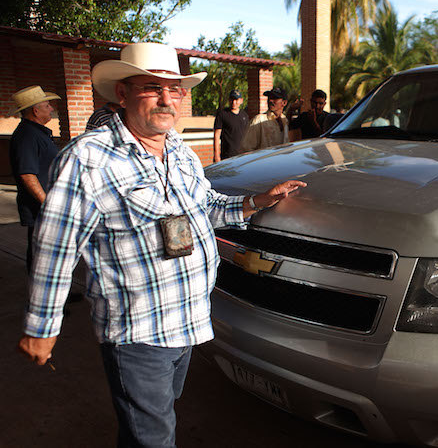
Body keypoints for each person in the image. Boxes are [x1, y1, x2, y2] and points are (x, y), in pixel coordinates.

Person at [16, 42, 306, 447]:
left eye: (175, 90)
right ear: (122, 93)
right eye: (152, 88)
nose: (166, 99)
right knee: (154, 437)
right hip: (138, 331)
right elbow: (55, 245)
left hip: (186, 323)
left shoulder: (182, 153)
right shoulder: (90, 158)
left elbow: (204, 206)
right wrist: (42, 326)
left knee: (148, 425)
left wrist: (255, 202)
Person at [8, 85, 61, 272]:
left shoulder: (36, 132)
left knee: (49, 251)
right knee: (41, 252)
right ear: (36, 111)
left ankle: (53, 291)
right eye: (47, 106)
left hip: (45, 204)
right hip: (40, 206)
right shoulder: (27, 136)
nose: (51, 109)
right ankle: (40, 295)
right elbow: (27, 174)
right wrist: (46, 204)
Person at [242, 87, 289, 152]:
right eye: (269, 98)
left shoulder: (285, 121)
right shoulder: (259, 120)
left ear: (284, 103)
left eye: (275, 98)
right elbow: (246, 148)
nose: (270, 101)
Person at [213, 89, 249, 161]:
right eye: (232, 99)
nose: (234, 102)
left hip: (242, 155)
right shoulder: (222, 114)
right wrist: (216, 154)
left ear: (241, 101)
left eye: (236, 99)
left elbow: (247, 135)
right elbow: (217, 135)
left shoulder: (244, 115)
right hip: (227, 155)